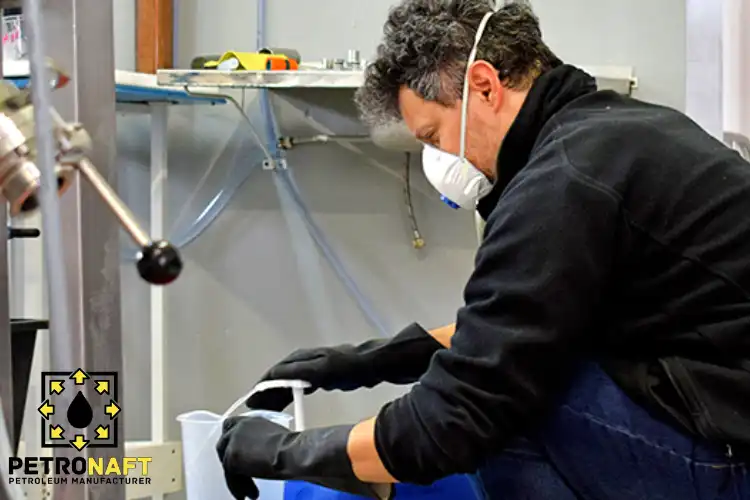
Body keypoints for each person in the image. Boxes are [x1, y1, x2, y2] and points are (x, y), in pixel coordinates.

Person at [215, 1, 750, 498]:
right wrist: (366, 361)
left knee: (507, 409)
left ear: (485, 85)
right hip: (721, 415)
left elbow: (462, 408)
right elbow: (527, 322)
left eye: (433, 137)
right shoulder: (618, 134)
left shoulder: (563, 180)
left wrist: (287, 453)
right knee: (523, 376)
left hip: (732, 458)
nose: (441, 159)